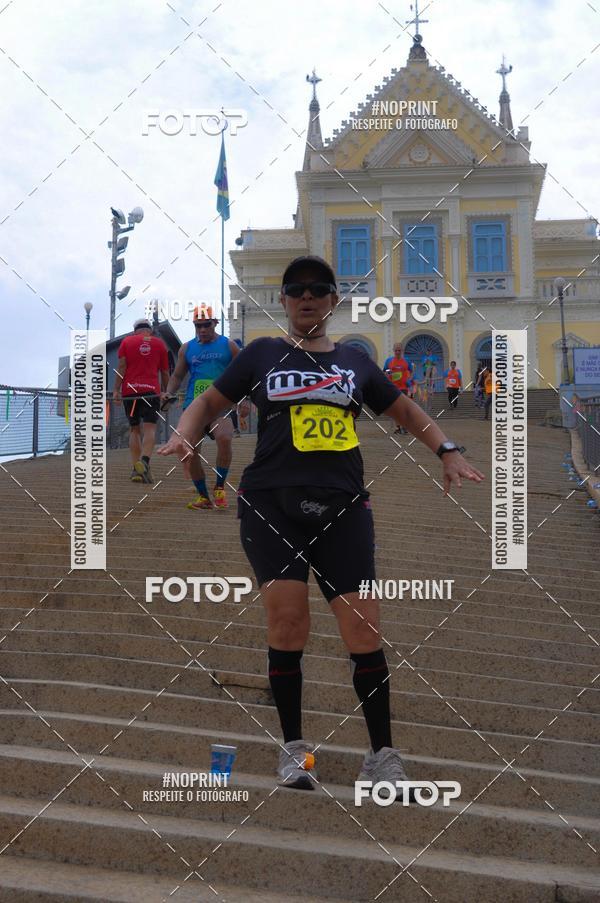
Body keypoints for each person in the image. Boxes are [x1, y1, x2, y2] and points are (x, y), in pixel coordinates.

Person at [159, 255, 485, 797]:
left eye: (318, 289)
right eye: (296, 289)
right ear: (284, 300)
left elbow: (405, 411)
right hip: (270, 504)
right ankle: (294, 749)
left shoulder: (356, 362)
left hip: (344, 506)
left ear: (334, 301)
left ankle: (381, 756)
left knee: (364, 628)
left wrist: (447, 450)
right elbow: (210, 401)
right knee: (288, 623)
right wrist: (184, 432)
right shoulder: (261, 353)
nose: (306, 296)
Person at [165, 305, 240, 509]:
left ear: (215, 323)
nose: (203, 329)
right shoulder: (187, 348)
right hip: (194, 407)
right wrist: (168, 392)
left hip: (220, 405)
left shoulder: (229, 345)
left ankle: (219, 487)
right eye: (198, 326)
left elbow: (243, 373)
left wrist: (244, 399)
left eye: (207, 325)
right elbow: (177, 375)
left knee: (224, 438)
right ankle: (203, 497)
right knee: (190, 451)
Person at [113, 318, 169, 484]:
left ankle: (136, 469)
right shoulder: (159, 344)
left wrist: (116, 389)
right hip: (151, 392)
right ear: (150, 330)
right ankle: (144, 461)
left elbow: (122, 367)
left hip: (130, 393)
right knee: (150, 428)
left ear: (134, 330)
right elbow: (165, 372)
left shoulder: (127, 342)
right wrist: (167, 392)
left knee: (134, 429)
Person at [383, 343, 413, 434]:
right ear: (393, 350)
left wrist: (409, 379)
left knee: (403, 408)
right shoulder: (389, 361)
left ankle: (404, 427)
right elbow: (385, 372)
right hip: (393, 388)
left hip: (404, 388)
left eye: (399, 350)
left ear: (402, 350)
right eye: (396, 350)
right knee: (396, 409)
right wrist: (388, 376)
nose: (397, 352)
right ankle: (398, 427)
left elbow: (411, 371)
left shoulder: (406, 361)